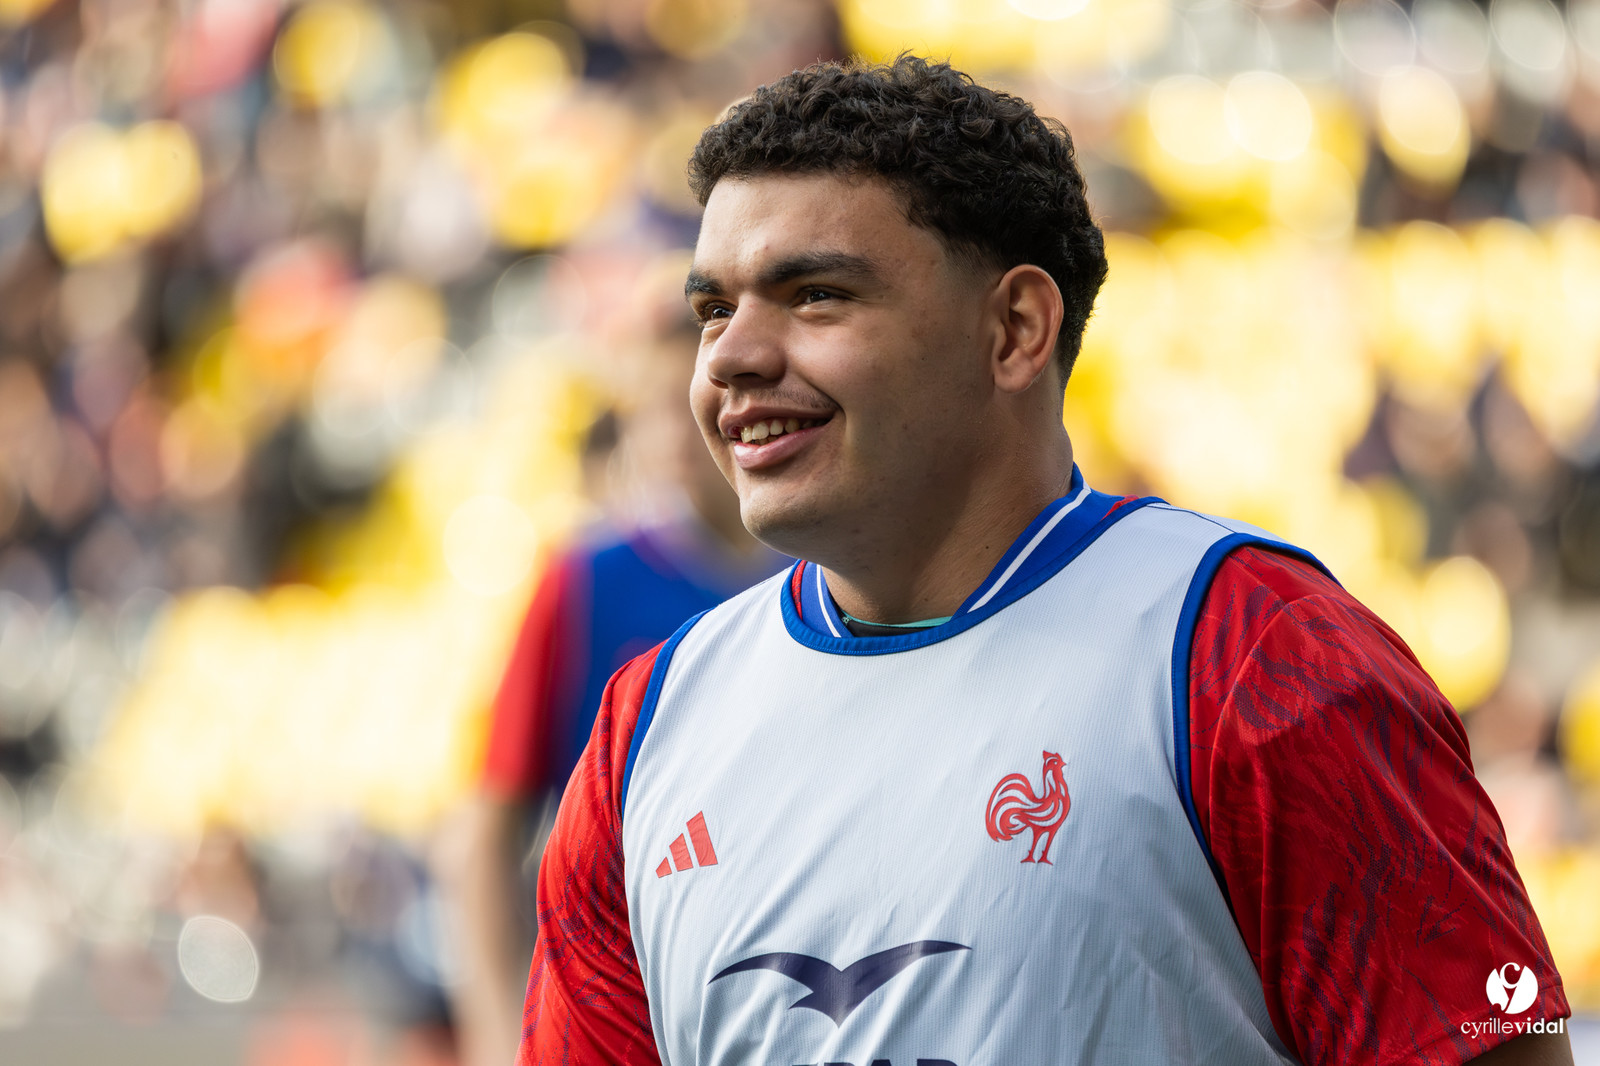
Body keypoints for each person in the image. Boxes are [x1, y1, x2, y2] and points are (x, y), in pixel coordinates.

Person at [515, 56, 1573, 1066]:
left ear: (1016, 327)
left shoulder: (1255, 660)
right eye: (714, 309)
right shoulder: (646, 731)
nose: (732, 358)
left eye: (815, 295)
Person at [449, 324, 784, 1066]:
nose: (669, 432)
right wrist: (498, 1029)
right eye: (648, 407)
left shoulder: (828, 579)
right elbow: (485, 828)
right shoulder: (585, 580)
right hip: (616, 999)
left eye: (683, 401)